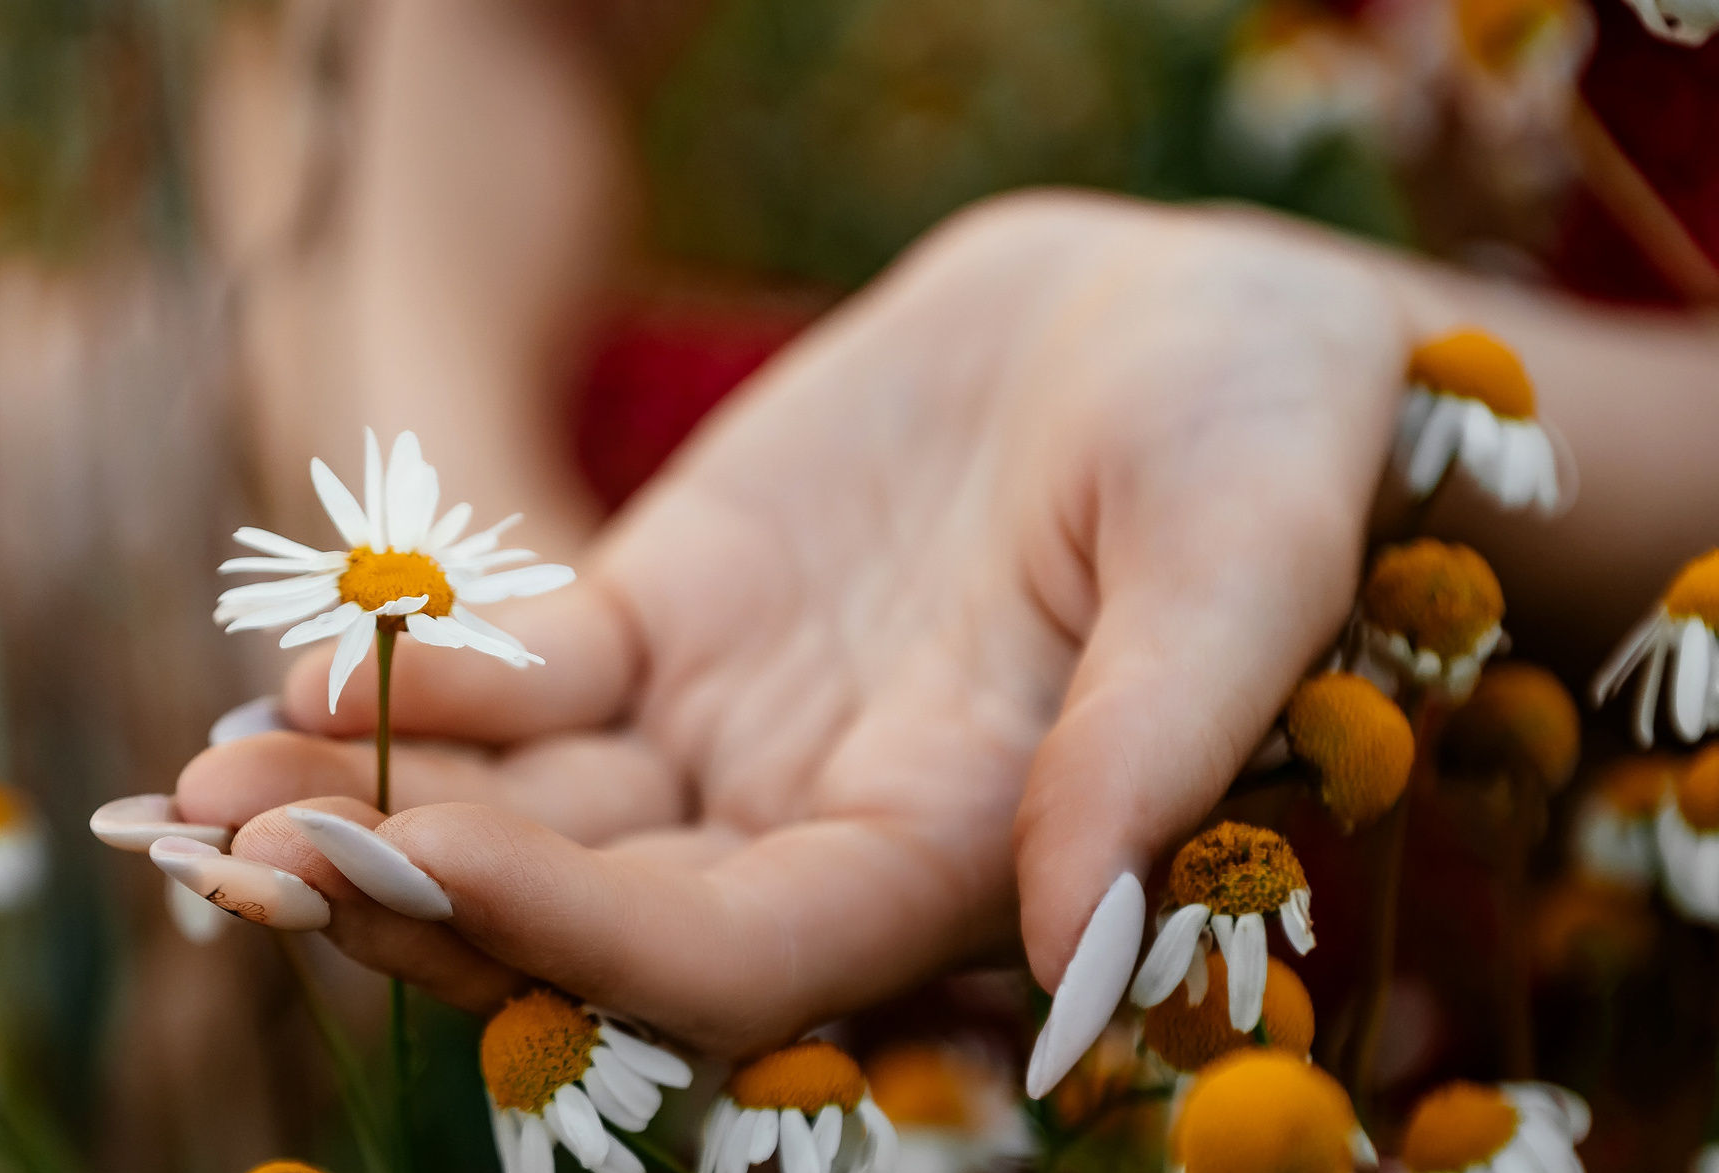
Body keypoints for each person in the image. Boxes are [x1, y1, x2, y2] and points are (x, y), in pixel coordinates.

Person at [149, 0, 1719, 1074]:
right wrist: (487, 557)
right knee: (23, 440)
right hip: (1301, 625)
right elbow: (445, 35)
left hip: (1547, 716)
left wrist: (1373, 368)